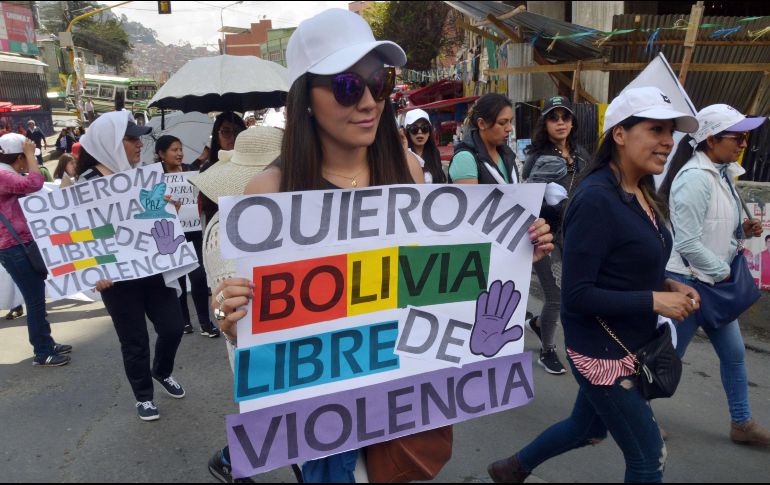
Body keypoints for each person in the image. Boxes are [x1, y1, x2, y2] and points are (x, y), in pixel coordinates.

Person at [208, 9, 555, 483]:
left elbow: (434, 277)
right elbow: (260, 328)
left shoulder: (408, 171)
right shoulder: (270, 194)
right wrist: (232, 320)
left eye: (379, 82)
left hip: (403, 400)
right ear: (305, 98)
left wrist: (513, 251)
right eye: (349, 87)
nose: (369, 101)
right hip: (324, 410)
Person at [487, 86, 702, 483]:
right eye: (656, 130)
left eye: (670, 131)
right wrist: (655, 301)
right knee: (648, 458)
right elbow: (578, 295)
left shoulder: (641, 189)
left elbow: (627, 263)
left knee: (586, 428)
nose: (668, 141)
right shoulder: (595, 199)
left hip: (632, 340)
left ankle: (511, 469)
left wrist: (669, 283)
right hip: (603, 352)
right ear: (620, 134)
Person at [658, 104, 769, 446]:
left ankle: (742, 423)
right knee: (666, 359)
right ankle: (637, 415)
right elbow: (688, 242)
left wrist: (743, 229)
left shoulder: (722, 174)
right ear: (710, 139)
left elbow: (716, 228)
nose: (742, 144)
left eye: (745, 137)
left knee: (734, 356)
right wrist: (724, 274)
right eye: (738, 137)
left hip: (712, 283)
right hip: (688, 283)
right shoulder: (693, 179)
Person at [77, 111, 188, 422]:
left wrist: (168, 210)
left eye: (139, 138)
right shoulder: (84, 185)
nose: (139, 144)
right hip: (116, 278)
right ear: (110, 143)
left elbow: (154, 220)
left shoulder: (144, 176)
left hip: (152, 268)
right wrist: (94, 271)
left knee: (173, 327)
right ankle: (143, 396)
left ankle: (161, 371)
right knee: (134, 340)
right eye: (131, 139)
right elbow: (75, 235)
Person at [520, 96, 591, 375]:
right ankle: (547, 350)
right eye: (554, 117)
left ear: (572, 122)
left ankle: (539, 324)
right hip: (544, 234)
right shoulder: (536, 157)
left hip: (573, 235)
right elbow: (525, 198)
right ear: (545, 123)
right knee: (555, 295)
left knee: (567, 293)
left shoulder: (583, 155)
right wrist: (549, 203)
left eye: (565, 117)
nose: (560, 122)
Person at [0, 133, 71, 366]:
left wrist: (28, 154)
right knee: (34, 299)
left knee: (36, 297)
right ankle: (42, 351)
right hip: (14, 247)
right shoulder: (2, 174)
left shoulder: (5, 173)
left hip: (19, 245)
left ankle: (46, 343)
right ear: (19, 157)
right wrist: (32, 154)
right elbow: (34, 183)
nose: (28, 164)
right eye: (26, 158)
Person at [155, 135, 220, 338]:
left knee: (199, 277)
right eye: (174, 150)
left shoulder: (192, 169)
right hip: (170, 233)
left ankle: (205, 322)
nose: (179, 153)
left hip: (194, 230)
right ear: (161, 154)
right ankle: (184, 320)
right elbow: (149, 206)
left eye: (180, 149)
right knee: (179, 278)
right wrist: (163, 201)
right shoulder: (156, 176)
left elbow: (201, 196)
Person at [448, 93, 518, 185]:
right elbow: (471, 198)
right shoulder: (465, 159)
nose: (509, 128)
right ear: (481, 124)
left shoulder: (507, 154)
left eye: (510, 121)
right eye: (502, 123)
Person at [197, 112, 246, 230]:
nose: (233, 137)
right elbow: (206, 209)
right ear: (216, 135)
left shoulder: (254, 165)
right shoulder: (207, 169)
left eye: (237, 131)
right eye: (226, 131)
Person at [402, 108, 447, 183]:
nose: (420, 132)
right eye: (414, 129)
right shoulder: (403, 155)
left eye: (424, 128)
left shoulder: (435, 153)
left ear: (429, 132)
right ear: (407, 132)